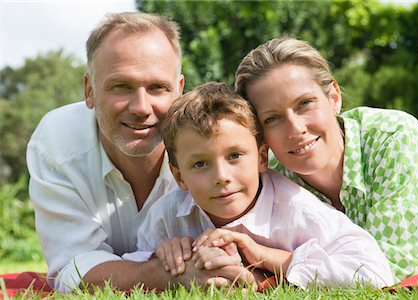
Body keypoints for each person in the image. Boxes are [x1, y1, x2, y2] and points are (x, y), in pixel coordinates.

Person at [26, 12, 252, 293]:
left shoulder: (214, 143)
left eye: (157, 87)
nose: (141, 107)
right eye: (121, 86)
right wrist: (175, 275)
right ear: (89, 90)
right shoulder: (57, 142)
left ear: (179, 90)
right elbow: (73, 270)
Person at [123, 81, 394, 289]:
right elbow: (132, 267)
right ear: (179, 176)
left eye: (235, 156)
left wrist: (265, 257)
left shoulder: (299, 211)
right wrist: (164, 259)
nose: (221, 176)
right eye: (200, 164)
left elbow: (375, 273)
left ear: (262, 158)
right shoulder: (168, 216)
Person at [234, 37, 418, 282]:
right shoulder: (272, 177)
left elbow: (389, 268)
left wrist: (280, 263)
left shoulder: (393, 137)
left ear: (334, 98)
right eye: (272, 118)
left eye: (305, 104)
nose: (295, 129)